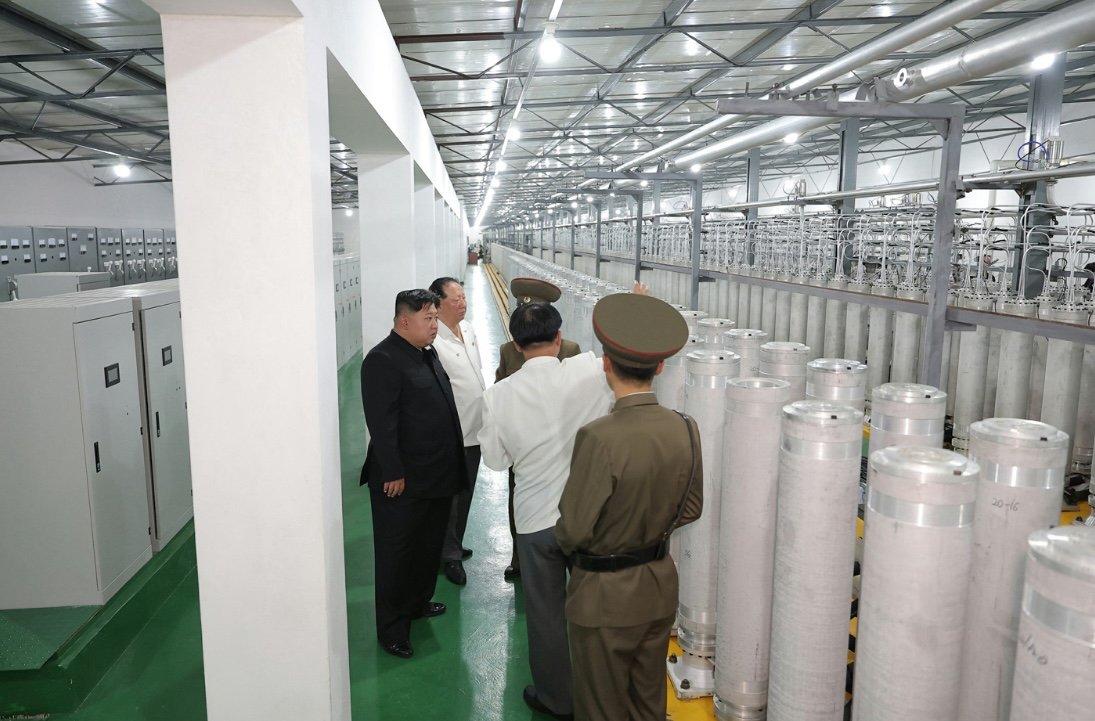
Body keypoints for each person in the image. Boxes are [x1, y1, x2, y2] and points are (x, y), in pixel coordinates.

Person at [555, 293, 704, 721]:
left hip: (604, 599)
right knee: (647, 704)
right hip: (657, 589)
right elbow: (691, 508)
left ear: (605, 362)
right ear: (660, 367)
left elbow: (574, 529)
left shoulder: (600, 437)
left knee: (602, 707)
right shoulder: (685, 427)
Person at [479, 301, 613, 721]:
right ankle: (603, 695)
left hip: (535, 521)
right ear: (560, 338)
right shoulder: (588, 372)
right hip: (587, 517)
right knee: (595, 611)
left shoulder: (499, 395)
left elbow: (497, 461)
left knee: (546, 615)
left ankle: (557, 698)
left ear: (516, 345)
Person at [359, 289, 466, 660]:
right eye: (428, 319)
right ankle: (392, 628)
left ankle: (418, 603)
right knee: (397, 555)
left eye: (436, 318)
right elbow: (382, 423)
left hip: (434, 474)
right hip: (401, 481)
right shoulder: (382, 360)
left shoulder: (426, 353)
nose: (435, 326)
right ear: (404, 321)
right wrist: (392, 470)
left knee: (425, 547)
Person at [495, 277, 582, 581]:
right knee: (518, 499)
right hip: (523, 444)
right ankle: (519, 558)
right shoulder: (508, 352)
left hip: (560, 439)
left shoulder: (570, 350)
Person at [428, 276, 486, 587]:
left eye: (464, 297)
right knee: (450, 498)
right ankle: (448, 556)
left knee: (466, 493)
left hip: (476, 427)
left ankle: (455, 543)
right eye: (456, 299)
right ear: (437, 303)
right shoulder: (433, 341)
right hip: (452, 432)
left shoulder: (470, 329)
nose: (462, 303)